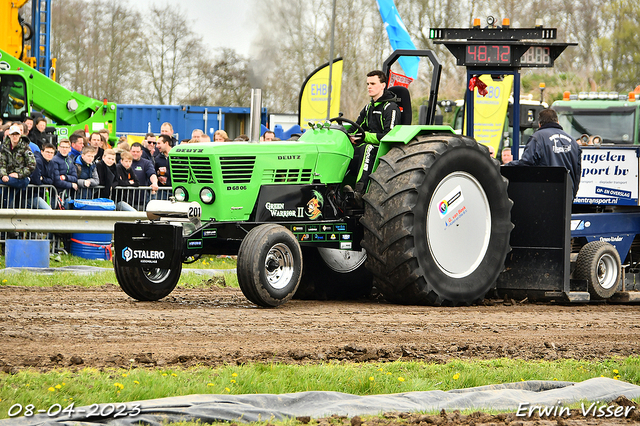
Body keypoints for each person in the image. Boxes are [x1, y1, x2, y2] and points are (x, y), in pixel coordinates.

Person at [345, 70, 401, 205]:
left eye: (373, 83)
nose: (369, 86)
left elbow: (390, 136)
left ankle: (360, 192)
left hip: (384, 149)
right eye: (367, 84)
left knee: (367, 148)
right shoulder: (368, 107)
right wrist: (344, 134)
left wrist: (365, 137)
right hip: (368, 144)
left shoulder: (391, 108)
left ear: (383, 85)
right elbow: (356, 127)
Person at [505, 108, 582, 198]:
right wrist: (572, 195)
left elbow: (526, 163)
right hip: (567, 196)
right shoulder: (573, 142)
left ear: (539, 124)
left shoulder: (538, 138)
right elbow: (577, 172)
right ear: (557, 121)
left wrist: (507, 166)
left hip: (545, 195)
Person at [0, 124, 37, 207]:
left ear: (20, 135)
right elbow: (2, 163)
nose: (15, 136)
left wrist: (18, 174)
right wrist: (3, 175)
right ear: (9, 135)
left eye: (17, 134)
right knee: (8, 194)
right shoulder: (4, 147)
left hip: (22, 178)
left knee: (8, 185)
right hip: (8, 178)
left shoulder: (25, 147)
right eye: (13, 134)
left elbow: (32, 165)